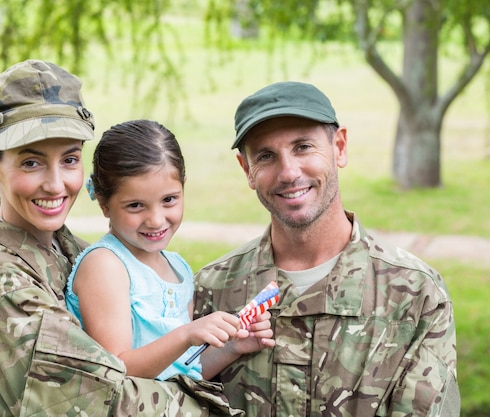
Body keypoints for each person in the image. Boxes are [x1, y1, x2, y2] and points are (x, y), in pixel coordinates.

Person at [0, 59, 246, 417]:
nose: (55, 183)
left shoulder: (72, 250)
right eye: (31, 163)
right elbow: (98, 400)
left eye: (70, 159)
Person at [192, 81, 460, 416]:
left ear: (340, 147)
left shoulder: (416, 295)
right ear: (247, 170)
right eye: (266, 156)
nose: (289, 172)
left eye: (303, 147)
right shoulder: (211, 290)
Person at [65, 119, 274, 382]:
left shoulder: (178, 269)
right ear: (104, 203)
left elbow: (183, 374)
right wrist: (186, 335)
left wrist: (233, 346)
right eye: (135, 205)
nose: (156, 219)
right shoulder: (106, 266)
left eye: (169, 200)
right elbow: (115, 371)